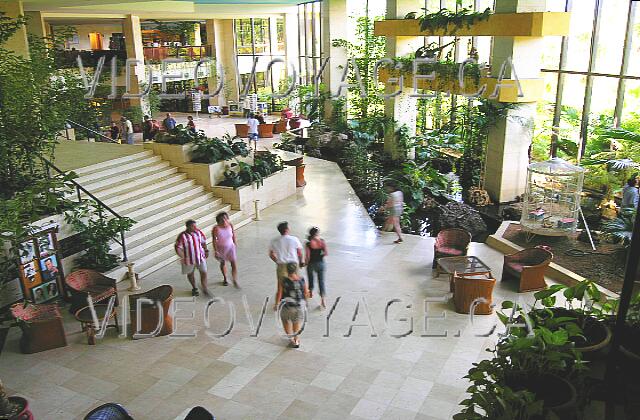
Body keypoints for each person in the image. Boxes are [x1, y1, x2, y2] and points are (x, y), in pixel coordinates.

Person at [269, 222, 304, 309]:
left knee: (280, 285)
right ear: (287, 230)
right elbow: (299, 252)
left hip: (281, 264)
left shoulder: (274, 240)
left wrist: (277, 261)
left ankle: (277, 304)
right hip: (293, 264)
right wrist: (301, 261)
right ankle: (297, 300)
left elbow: (271, 254)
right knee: (295, 282)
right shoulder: (294, 239)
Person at [276, 262, 309, 348]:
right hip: (298, 307)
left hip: (286, 307)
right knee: (296, 323)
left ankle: (290, 338)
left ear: (287, 270)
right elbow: (306, 293)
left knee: (285, 320)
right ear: (296, 270)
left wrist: (276, 304)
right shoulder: (301, 279)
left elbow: (279, 293)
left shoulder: (283, 280)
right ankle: (296, 339)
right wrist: (306, 303)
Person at [175, 220, 210, 296]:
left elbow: (203, 242)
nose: (195, 227)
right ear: (188, 227)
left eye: (195, 226)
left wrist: (206, 250)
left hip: (200, 257)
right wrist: (182, 256)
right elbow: (177, 247)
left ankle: (204, 287)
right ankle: (194, 287)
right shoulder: (182, 236)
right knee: (190, 273)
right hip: (189, 259)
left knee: (204, 272)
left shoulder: (198, 232)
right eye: (193, 226)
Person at [212, 212, 238, 288]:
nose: (224, 220)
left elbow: (233, 234)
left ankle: (234, 279)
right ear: (218, 220)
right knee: (223, 263)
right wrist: (215, 250)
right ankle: (225, 278)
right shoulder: (216, 228)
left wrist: (235, 242)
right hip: (221, 248)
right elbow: (214, 239)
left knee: (234, 263)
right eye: (222, 219)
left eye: (225, 218)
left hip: (231, 247)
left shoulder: (230, 225)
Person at [305, 227, 328, 309]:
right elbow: (326, 253)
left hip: (311, 264)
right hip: (321, 264)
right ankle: (322, 301)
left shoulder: (308, 243)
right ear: (317, 234)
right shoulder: (322, 241)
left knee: (310, 280)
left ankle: (309, 294)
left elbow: (307, 256)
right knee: (321, 282)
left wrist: (305, 263)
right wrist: (320, 255)